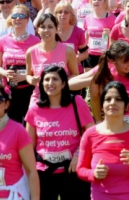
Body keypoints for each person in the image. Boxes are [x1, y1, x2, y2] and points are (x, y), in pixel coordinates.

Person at [77, 81, 129, 200]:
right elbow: (80, 170)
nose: (113, 103)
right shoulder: (90, 134)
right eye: (108, 99)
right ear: (101, 105)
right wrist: (93, 174)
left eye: (118, 99)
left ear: (126, 105)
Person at [25, 65, 94, 200]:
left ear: (63, 83)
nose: (50, 83)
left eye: (55, 79)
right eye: (46, 79)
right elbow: (28, 146)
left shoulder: (77, 102)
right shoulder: (35, 108)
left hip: (73, 169)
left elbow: (91, 133)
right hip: (44, 172)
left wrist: (79, 153)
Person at [0, 4, 40, 123]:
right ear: (11, 19)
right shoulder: (2, 41)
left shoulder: (36, 42)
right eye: (14, 16)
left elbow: (41, 67)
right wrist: (5, 73)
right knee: (10, 124)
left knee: (28, 124)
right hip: (9, 90)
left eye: (21, 16)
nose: (18, 19)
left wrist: (26, 76)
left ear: (27, 20)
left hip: (29, 90)